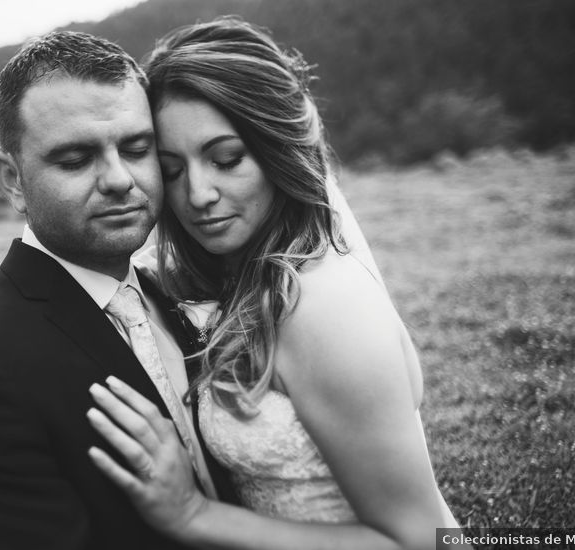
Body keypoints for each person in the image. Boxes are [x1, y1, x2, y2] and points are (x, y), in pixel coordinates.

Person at [86, 17, 468, 550]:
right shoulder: (243, 281)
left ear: (279, 150)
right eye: (172, 170)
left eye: (226, 159)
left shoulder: (323, 307)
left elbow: (419, 540)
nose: (198, 194)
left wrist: (192, 516)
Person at [0, 30, 241, 549]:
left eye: (137, 148)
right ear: (12, 181)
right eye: (76, 160)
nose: (120, 179)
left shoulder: (165, 296)